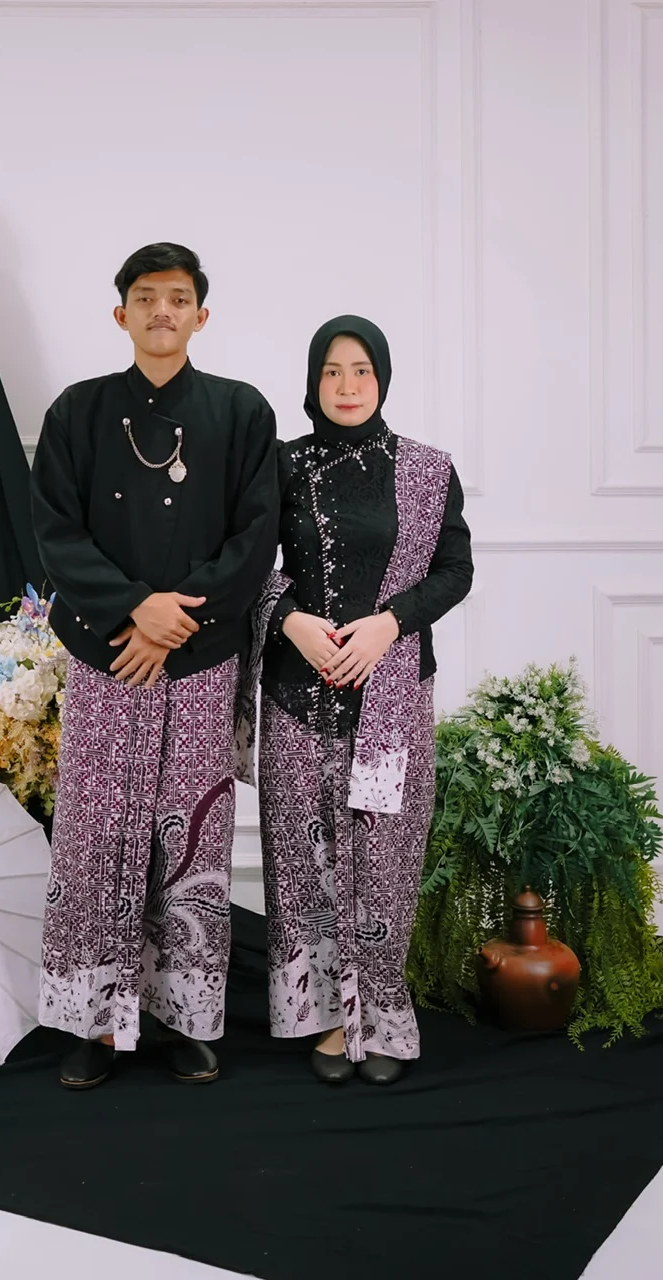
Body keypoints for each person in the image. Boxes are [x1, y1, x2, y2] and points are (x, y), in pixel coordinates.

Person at [31, 243, 279, 1088]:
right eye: (145, 297)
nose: (161, 311)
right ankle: (94, 1025)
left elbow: (254, 537)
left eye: (177, 298)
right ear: (121, 314)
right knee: (96, 838)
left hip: (201, 661)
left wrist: (175, 621)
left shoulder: (241, 412)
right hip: (104, 656)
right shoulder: (77, 412)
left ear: (200, 315)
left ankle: (184, 1020)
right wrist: (134, 609)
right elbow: (55, 531)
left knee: (191, 839)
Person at [257, 316, 473, 1085]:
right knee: (303, 859)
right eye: (331, 371)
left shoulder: (425, 469)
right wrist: (289, 618)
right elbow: (240, 561)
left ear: (381, 378)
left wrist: (389, 623)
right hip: (297, 693)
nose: (346, 386)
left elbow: (454, 570)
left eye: (361, 371)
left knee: (384, 857)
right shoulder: (281, 464)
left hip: (391, 698)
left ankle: (379, 1017)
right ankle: (324, 1017)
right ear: (311, 381)